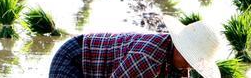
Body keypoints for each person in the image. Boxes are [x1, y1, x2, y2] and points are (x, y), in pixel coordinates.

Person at [49, 16, 221, 78]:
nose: (191, 66)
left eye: (196, 62)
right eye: (191, 59)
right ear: (180, 47)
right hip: (75, 59)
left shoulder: (180, 66)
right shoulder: (147, 58)